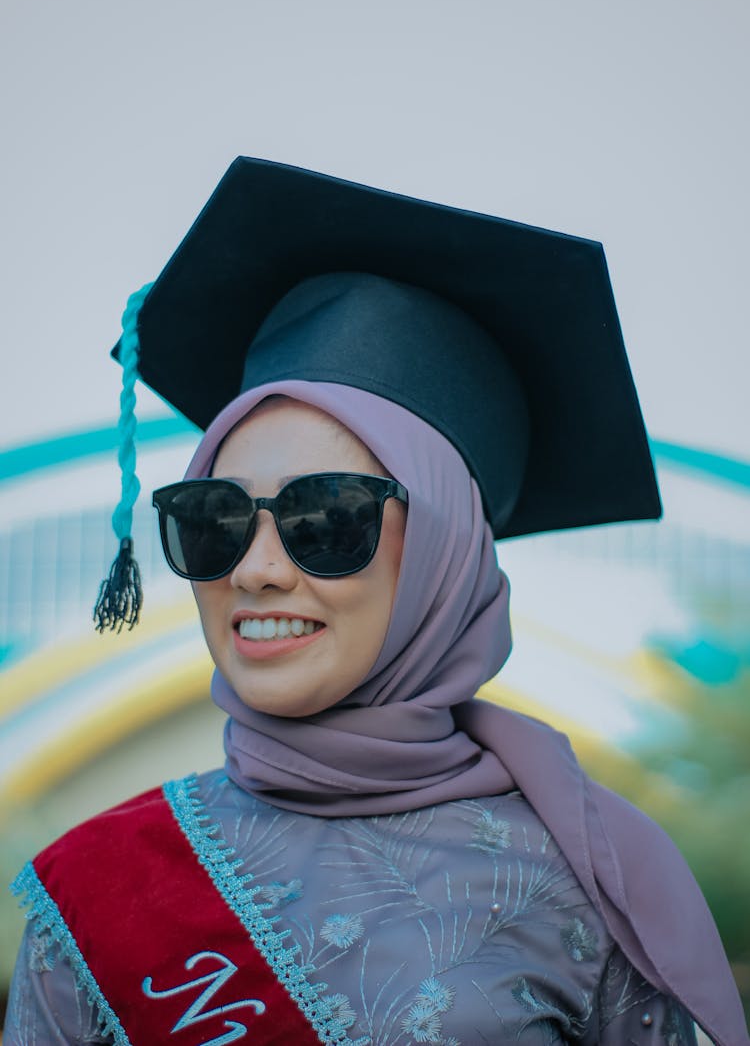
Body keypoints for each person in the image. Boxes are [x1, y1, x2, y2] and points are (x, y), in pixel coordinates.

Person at [5, 159, 748, 1046]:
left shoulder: (588, 891)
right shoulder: (90, 891)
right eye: (215, 519)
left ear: (444, 558)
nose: (257, 570)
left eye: (326, 519)